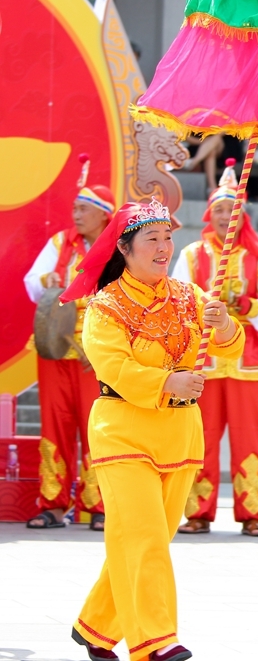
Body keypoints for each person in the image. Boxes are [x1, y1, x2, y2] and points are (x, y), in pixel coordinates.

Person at [62, 198, 245, 661]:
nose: (164, 248)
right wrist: (167, 380)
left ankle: (96, 627)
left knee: (147, 538)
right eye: (152, 239)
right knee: (143, 538)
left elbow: (230, 346)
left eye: (168, 238)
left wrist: (223, 325)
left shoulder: (189, 295)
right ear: (125, 248)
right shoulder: (105, 306)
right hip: (123, 431)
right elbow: (114, 367)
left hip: (179, 434)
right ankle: (155, 642)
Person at [172, 161, 258, 537]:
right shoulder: (192, 255)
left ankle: (252, 513)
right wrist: (205, 305)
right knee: (200, 438)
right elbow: (176, 303)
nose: (226, 215)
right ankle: (197, 512)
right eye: (219, 209)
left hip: (249, 362)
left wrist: (249, 306)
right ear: (210, 213)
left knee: (250, 438)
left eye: (232, 208)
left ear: (243, 215)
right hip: (203, 363)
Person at [23, 154, 115, 531]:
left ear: (103, 215)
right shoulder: (60, 243)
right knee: (55, 425)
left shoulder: (116, 252)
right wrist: (46, 284)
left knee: (97, 428)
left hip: (98, 355)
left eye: (83, 209)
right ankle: (53, 504)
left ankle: (99, 506)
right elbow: (33, 283)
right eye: (74, 208)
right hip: (57, 350)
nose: (75, 215)